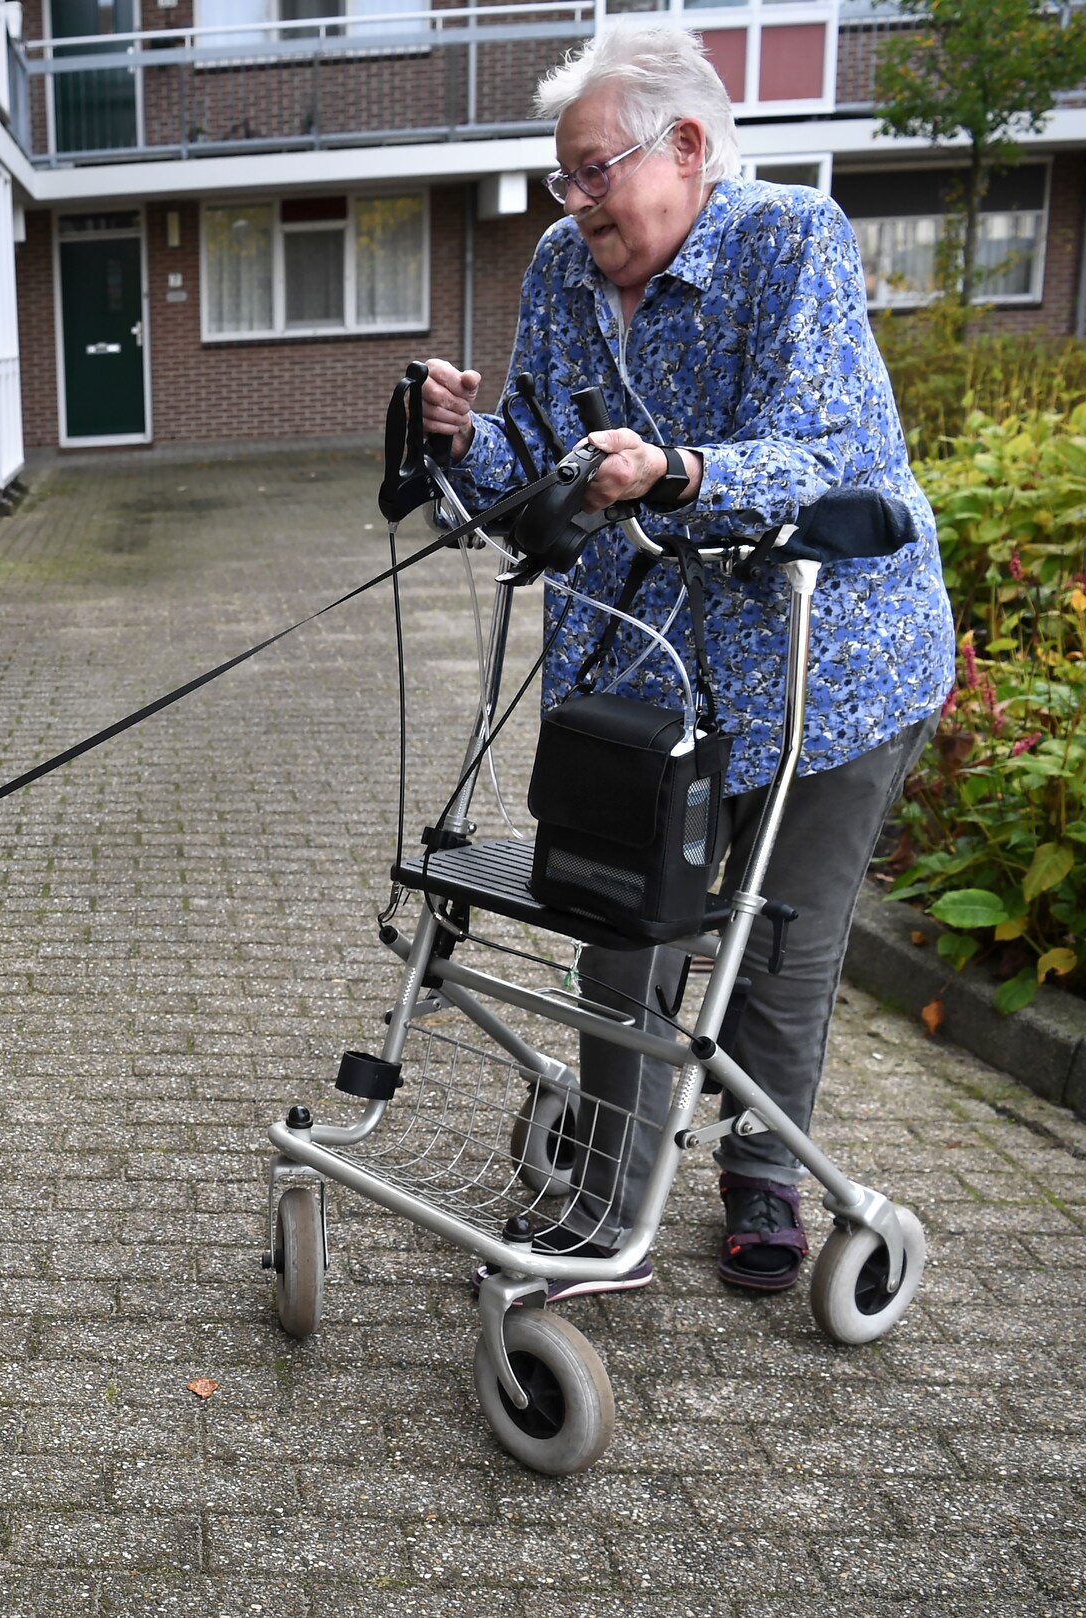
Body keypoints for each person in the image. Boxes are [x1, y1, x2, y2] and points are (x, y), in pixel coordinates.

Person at [418, 28, 953, 1296]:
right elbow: (540, 467)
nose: (574, 202)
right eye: (562, 180)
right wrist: (461, 438)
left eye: (592, 171)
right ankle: (606, 1192)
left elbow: (821, 450)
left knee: (780, 939)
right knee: (621, 923)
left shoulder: (791, 242)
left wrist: (681, 470)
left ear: (690, 147)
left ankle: (763, 1177)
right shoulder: (562, 265)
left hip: (836, 662)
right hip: (645, 666)